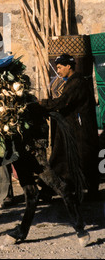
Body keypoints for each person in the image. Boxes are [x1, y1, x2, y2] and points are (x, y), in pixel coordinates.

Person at [39, 53, 100, 199]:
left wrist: (42, 104)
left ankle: (87, 191)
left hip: (80, 130)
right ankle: (59, 189)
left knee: (78, 160)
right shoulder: (73, 82)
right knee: (68, 160)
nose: (58, 71)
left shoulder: (76, 83)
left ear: (68, 66)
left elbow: (63, 102)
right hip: (73, 129)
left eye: (60, 67)